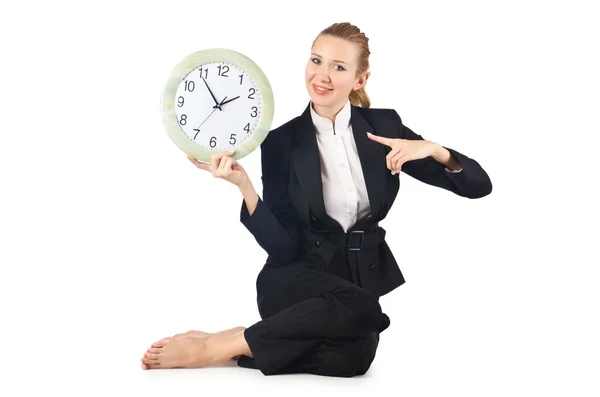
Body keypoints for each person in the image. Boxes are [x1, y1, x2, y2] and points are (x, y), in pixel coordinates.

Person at [140, 22, 492, 377]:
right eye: (316, 60)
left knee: (356, 357)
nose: (321, 76)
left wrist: (437, 150)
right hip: (294, 278)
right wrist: (244, 186)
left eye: (338, 67)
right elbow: (284, 249)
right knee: (365, 309)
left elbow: (479, 186)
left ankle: (241, 340)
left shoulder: (385, 128)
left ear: (360, 80)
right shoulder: (281, 142)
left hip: (351, 286)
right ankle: (213, 347)